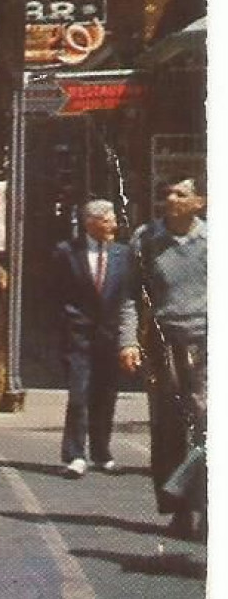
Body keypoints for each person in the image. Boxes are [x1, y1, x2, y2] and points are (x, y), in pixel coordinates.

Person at [135, 177, 208, 538]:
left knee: (206, 422)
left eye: (181, 193)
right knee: (169, 429)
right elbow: (132, 297)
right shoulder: (148, 240)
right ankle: (179, 508)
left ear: (200, 202)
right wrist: (128, 342)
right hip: (164, 345)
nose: (171, 199)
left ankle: (207, 505)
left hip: (208, 342)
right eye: (167, 193)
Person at [50, 199, 139, 478]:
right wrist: (66, 320)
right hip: (78, 335)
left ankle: (101, 451)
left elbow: (127, 298)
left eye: (113, 220)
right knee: (79, 394)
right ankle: (75, 454)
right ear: (91, 222)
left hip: (109, 336)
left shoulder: (123, 255)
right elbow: (53, 292)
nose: (113, 225)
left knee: (106, 394)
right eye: (107, 220)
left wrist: (128, 339)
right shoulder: (67, 252)